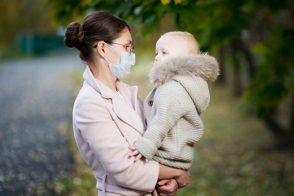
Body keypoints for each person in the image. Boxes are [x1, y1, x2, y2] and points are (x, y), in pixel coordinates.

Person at [64, 11, 190, 196]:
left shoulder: (125, 92)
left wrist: (166, 181)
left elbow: (150, 147)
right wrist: (178, 172)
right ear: (103, 49)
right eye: (127, 47)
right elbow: (125, 169)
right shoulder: (89, 103)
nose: (131, 54)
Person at [129, 32, 219, 170]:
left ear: (184, 59)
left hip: (166, 156)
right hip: (178, 155)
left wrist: (145, 146)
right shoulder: (185, 84)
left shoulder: (173, 89)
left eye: (164, 53)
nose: (157, 58)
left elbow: (161, 121)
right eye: (156, 53)